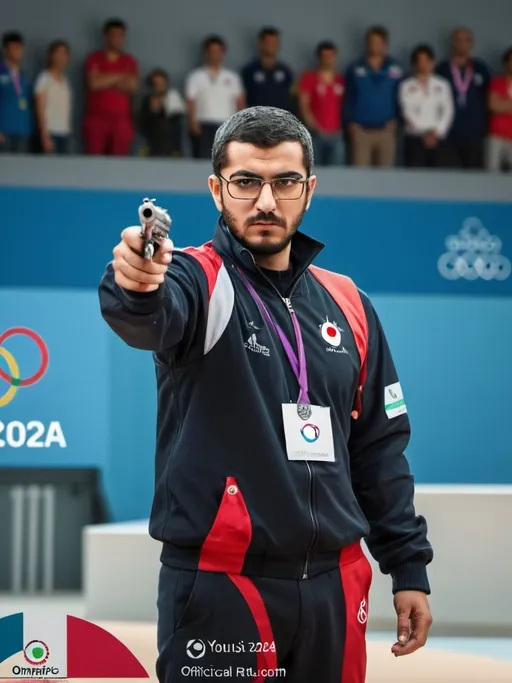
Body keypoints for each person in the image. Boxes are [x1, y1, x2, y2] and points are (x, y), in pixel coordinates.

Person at [98, 106, 434, 683]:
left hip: (337, 584)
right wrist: (135, 284)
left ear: (310, 189)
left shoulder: (348, 301)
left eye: (285, 182)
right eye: (246, 181)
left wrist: (407, 566)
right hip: (221, 587)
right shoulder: (197, 279)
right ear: (216, 189)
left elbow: (379, 446)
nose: (266, 201)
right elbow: (148, 312)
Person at [344, 26, 402, 167]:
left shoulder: (395, 68)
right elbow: (347, 97)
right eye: (371, 42)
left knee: (385, 179)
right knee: (360, 178)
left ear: (385, 44)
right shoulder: (355, 68)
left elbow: (401, 97)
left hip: (386, 131)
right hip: (361, 131)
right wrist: (350, 122)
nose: (374, 45)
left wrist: (397, 120)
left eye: (378, 42)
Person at [436, 27, 490, 169]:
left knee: (475, 179)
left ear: (471, 44)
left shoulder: (480, 68)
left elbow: (488, 98)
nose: (462, 44)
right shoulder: (442, 69)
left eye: (466, 40)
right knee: (448, 179)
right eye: (458, 40)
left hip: (474, 134)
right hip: (448, 134)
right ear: (452, 43)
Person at [83, 18, 139, 156]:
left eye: (121, 35)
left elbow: (132, 86)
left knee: (119, 164)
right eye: (113, 35)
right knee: (94, 162)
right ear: (106, 37)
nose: (117, 39)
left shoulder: (129, 61)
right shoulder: (94, 58)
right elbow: (94, 84)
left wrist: (105, 78)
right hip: (96, 119)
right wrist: (121, 76)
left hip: (121, 121)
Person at [185, 35, 245, 159]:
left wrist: (239, 125)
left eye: (218, 51)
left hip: (227, 124)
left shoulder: (232, 77)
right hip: (203, 124)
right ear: (206, 53)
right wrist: (192, 122)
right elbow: (191, 101)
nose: (215, 55)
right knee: (203, 158)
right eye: (212, 51)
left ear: (223, 53)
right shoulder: (196, 76)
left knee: (225, 160)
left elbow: (239, 101)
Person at [399, 44, 454, 168]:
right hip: (415, 137)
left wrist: (437, 132)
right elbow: (406, 112)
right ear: (414, 64)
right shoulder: (406, 86)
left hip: (437, 138)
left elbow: (448, 111)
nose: (423, 64)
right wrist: (424, 133)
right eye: (419, 61)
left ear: (432, 62)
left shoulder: (443, 85)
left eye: (426, 60)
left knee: (437, 178)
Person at [298, 40, 345, 166]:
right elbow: (304, 107)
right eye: (325, 56)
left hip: (337, 135)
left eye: (330, 56)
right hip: (315, 135)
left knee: (338, 173)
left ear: (335, 57)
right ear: (319, 58)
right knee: (314, 172)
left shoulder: (341, 80)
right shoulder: (309, 78)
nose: (328, 59)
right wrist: (316, 128)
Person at [241, 27, 295, 112]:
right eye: (268, 42)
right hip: (257, 120)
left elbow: (292, 96)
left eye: (275, 43)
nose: (272, 46)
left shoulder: (286, 71)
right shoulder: (249, 71)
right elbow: (242, 99)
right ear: (260, 44)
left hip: (280, 120)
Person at [34, 40, 73, 155]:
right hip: (50, 133)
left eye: (64, 54)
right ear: (51, 55)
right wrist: (44, 135)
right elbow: (39, 108)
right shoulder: (44, 78)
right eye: (58, 53)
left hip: (64, 133)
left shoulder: (65, 80)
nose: (61, 57)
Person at [0, 31, 33, 153]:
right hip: (4, 130)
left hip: (23, 130)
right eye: (14, 47)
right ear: (5, 49)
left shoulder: (24, 76)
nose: (18, 51)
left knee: (22, 168)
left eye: (20, 47)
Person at [487, 46, 512, 172]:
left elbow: (500, 105)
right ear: (506, 63)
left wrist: (504, 104)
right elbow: (494, 106)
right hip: (497, 136)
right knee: (492, 174)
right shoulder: (497, 82)